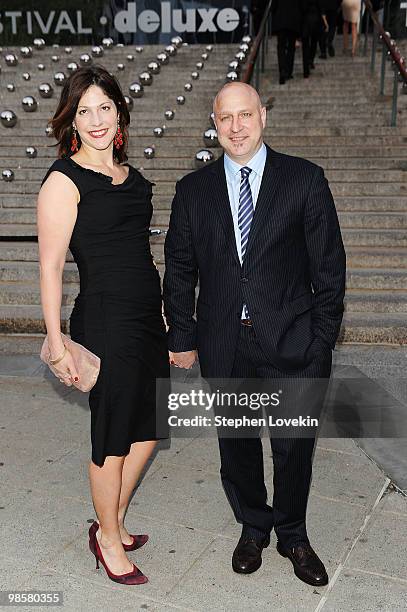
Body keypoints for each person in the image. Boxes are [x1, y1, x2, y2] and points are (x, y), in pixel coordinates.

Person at [163, 82, 346, 586]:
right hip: (226, 343)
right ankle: (253, 526)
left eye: (245, 115)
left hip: (294, 343)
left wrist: (321, 341)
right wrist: (182, 334)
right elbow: (179, 267)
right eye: (226, 118)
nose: (236, 127)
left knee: (293, 447)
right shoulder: (193, 191)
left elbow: (329, 267)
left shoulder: (304, 180)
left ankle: (293, 534)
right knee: (237, 445)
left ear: (262, 116)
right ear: (214, 124)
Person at [37, 66, 169, 586]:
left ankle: (109, 518)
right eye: (84, 110)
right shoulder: (63, 181)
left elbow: (141, 253)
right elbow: (50, 266)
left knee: (152, 428)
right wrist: (54, 340)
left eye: (104, 108)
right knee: (113, 435)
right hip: (105, 319)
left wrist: (162, 313)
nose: (95, 120)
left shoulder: (133, 179)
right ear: (71, 119)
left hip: (145, 317)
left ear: (120, 115)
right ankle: (109, 538)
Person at [271, 0, 305, 84]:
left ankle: (282, 70)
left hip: (281, 21)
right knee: (291, 48)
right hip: (293, 22)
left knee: (281, 47)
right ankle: (288, 72)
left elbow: (273, 7)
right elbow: (302, 7)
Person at [302, 1, 329, 77]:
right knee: (314, 42)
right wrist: (325, 20)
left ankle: (305, 69)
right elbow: (321, 6)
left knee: (305, 45)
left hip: (305, 19)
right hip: (316, 19)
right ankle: (310, 60)